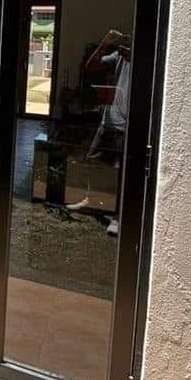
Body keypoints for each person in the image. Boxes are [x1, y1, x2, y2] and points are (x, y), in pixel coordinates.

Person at [84, 28, 131, 235]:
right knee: (91, 160)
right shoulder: (119, 56)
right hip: (109, 120)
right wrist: (106, 43)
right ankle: (91, 200)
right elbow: (90, 67)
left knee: (123, 173)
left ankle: (119, 217)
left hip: (126, 126)